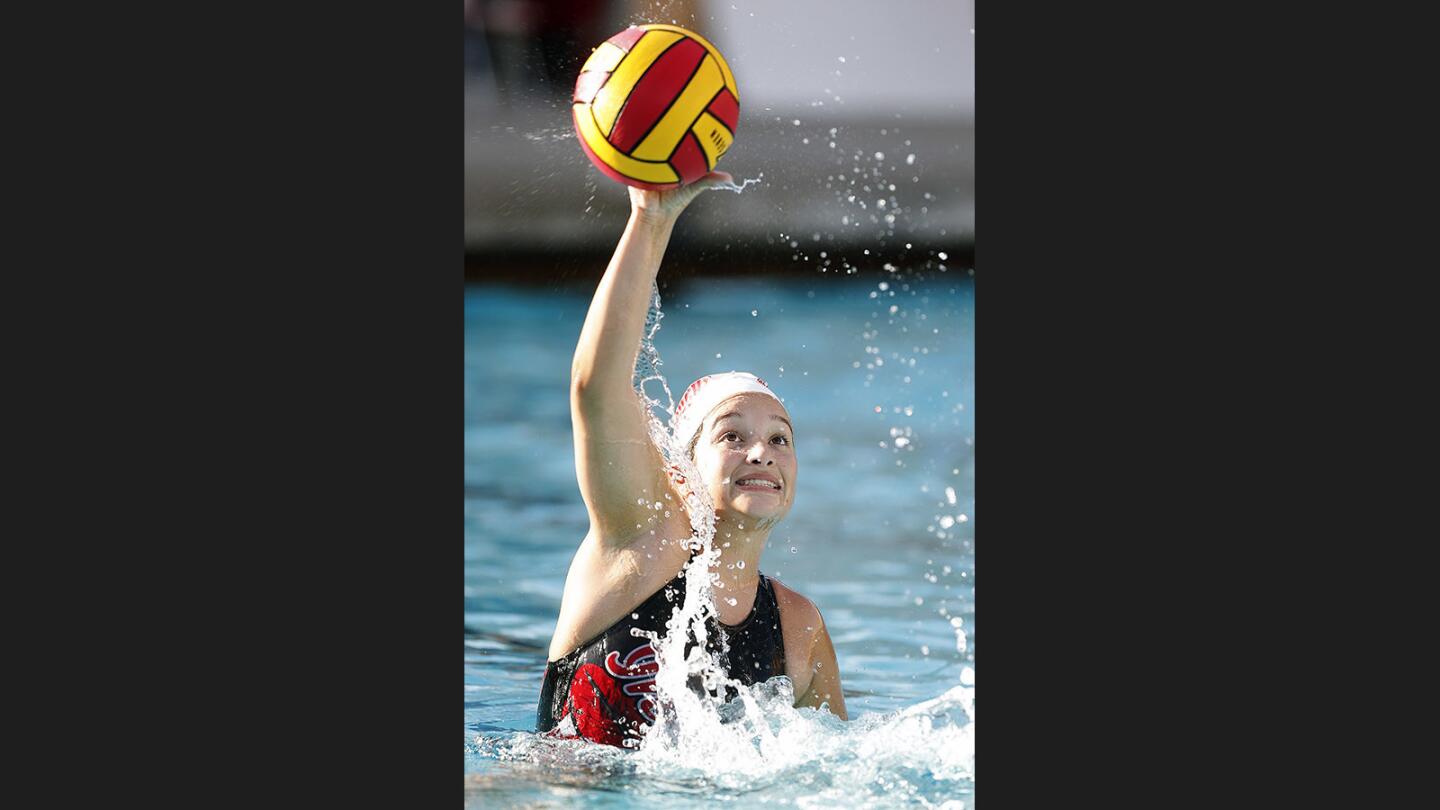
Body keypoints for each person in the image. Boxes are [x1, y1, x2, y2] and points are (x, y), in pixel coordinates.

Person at [536, 171, 848, 748]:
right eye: (732, 436)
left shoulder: (799, 628)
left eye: (781, 439)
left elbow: (841, 770)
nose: (762, 452)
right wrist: (649, 221)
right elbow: (596, 385)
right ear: (681, 470)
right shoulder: (637, 544)